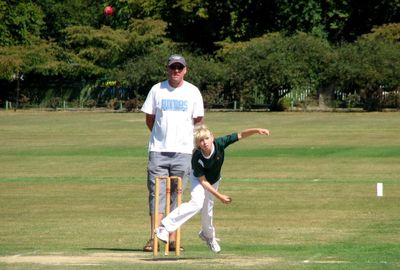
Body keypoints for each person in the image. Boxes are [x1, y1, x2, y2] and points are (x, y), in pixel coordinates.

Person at [154, 124, 270, 253]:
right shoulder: (197, 157)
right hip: (199, 180)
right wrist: (220, 196)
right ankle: (164, 227)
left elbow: (241, 135)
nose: (204, 143)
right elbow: (203, 181)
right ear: (198, 144)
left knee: (207, 213)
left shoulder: (220, 143)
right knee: (197, 203)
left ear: (212, 137)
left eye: (206, 138)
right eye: (201, 141)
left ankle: (208, 236)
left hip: (214, 181)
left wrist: (257, 130)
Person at [141, 54, 204, 252]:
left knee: (176, 197)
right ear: (167, 69)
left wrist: (183, 140)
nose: (176, 71)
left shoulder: (193, 91)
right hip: (158, 151)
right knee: (156, 195)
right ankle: (154, 238)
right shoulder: (156, 89)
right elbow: (150, 119)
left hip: (183, 152)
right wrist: (161, 137)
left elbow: (198, 119)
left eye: (179, 67)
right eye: (172, 67)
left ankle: (173, 238)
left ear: (185, 70)